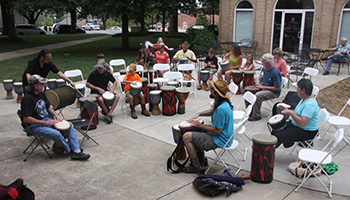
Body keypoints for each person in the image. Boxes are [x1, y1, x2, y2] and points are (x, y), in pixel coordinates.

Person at [21, 74, 90, 160]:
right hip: (34, 125)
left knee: (70, 125)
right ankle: (70, 150)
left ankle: (76, 151)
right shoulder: (27, 99)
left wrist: (56, 115)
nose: (44, 85)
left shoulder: (41, 94)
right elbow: (26, 119)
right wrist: (45, 122)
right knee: (56, 134)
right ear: (35, 86)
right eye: (41, 84)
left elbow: (48, 107)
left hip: (46, 120)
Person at [182, 79, 234, 173]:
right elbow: (212, 111)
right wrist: (199, 114)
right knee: (195, 130)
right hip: (223, 137)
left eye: (212, 89)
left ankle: (196, 166)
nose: (210, 89)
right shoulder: (222, 103)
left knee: (186, 137)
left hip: (220, 140)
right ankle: (201, 160)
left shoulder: (221, 109)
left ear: (217, 93)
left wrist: (200, 126)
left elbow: (218, 131)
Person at [272, 79, 319, 148]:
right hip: (297, 125)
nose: (296, 90)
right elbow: (299, 112)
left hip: (307, 131)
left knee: (278, 136)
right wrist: (287, 109)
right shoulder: (304, 98)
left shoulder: (309, 105)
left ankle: (267, 153)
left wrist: (290, 112)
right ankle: (287, 143)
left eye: (298, 89)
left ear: (303, 91)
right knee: (276, 128)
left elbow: (303, 123)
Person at [249, 53, 282, 121]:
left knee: (258, 96)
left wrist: (264, 87)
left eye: (263, 61)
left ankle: (256, 116)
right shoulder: (266, 69)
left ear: (268, 62)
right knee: (249, 92)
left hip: (273, 92)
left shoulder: (275, 72)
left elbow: (278, 88)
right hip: (265, 88)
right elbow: (266, 79)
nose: (262, 62)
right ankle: (250, 111)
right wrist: (260, 84)